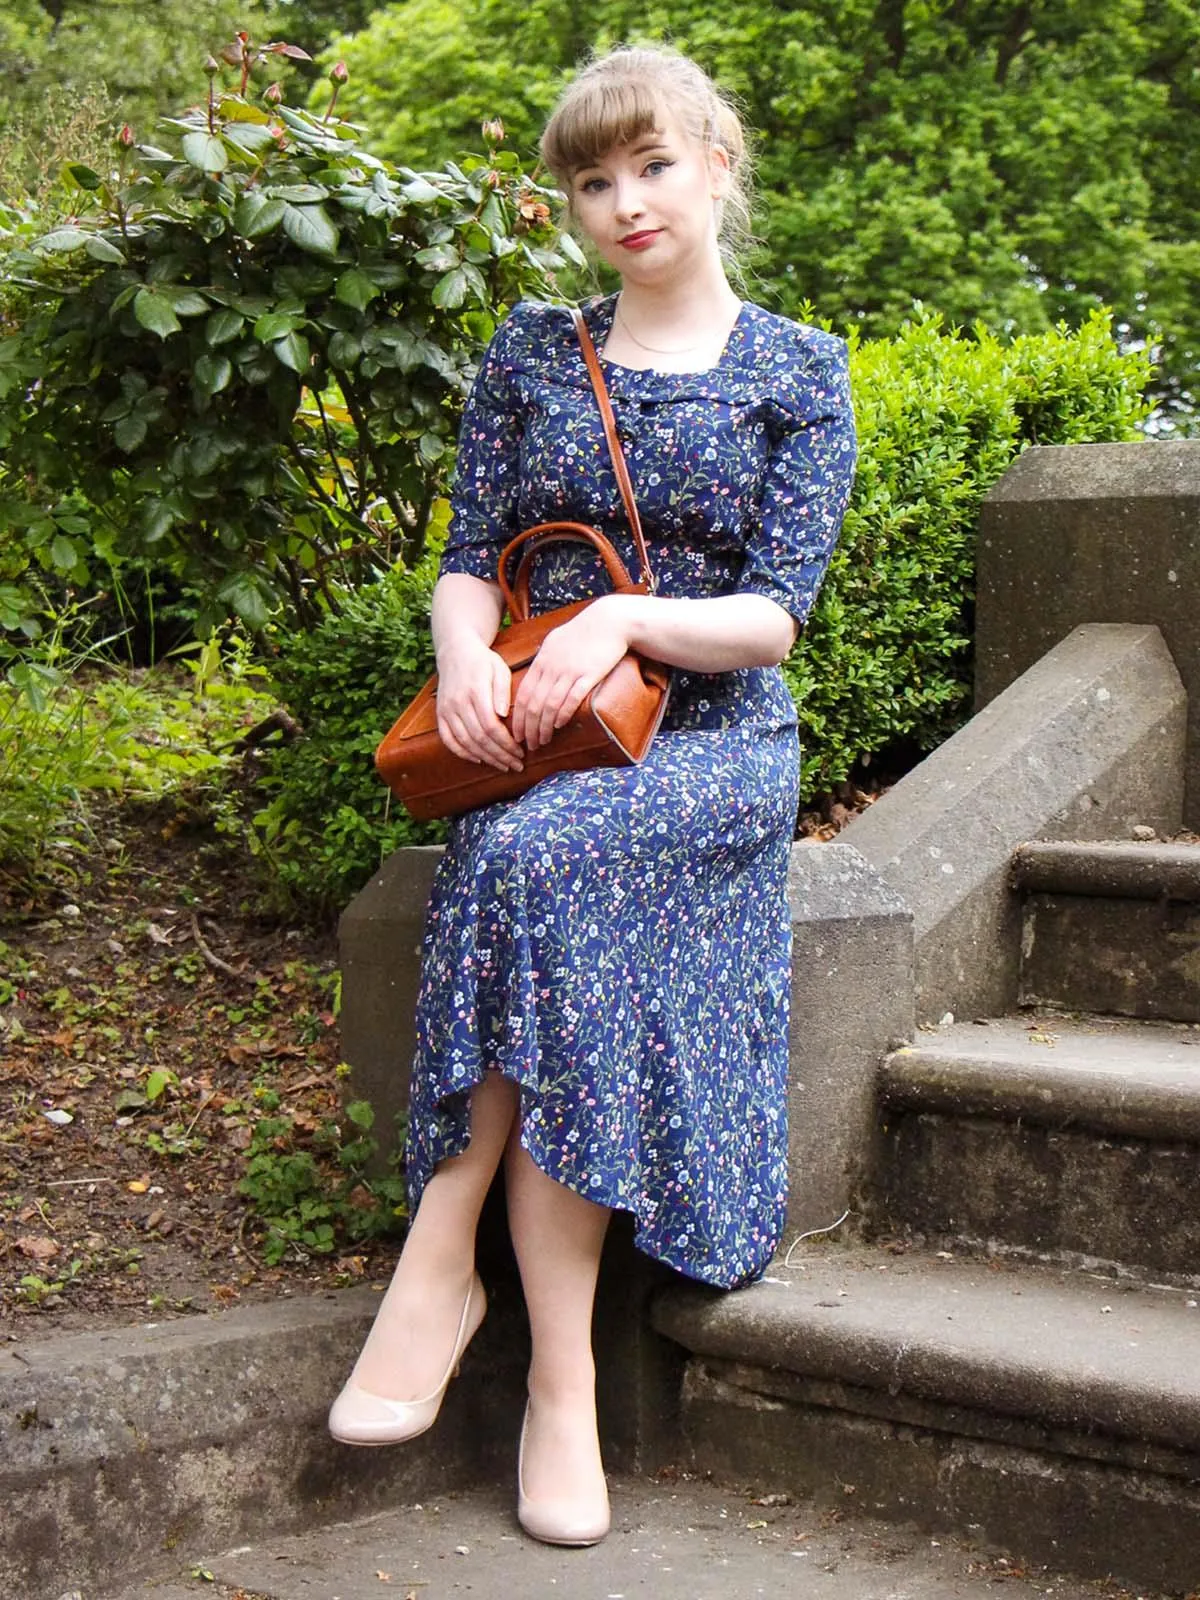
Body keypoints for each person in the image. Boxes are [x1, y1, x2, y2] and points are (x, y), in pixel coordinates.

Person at [327, 43, 857, 1548]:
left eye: (652, 166)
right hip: (541, 733)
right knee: (529, 846)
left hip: (714, 742)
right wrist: (464, 664)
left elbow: (773, 617)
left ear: (718, 164)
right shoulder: (532, 351)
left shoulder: (797, 369)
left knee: (534, 862)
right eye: (591, 179)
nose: (622, 202)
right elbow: (468, 549)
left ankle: (455, 1274)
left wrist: (616, 622)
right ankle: (551, 1369)